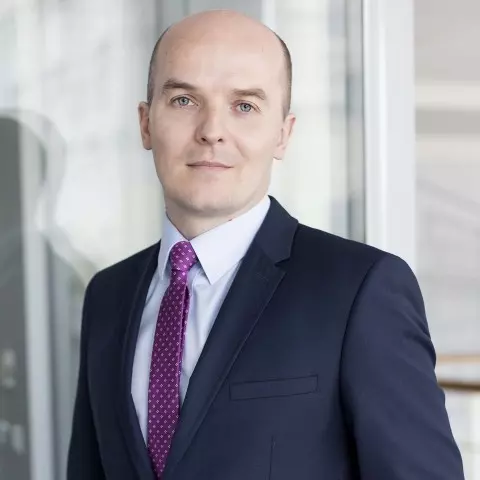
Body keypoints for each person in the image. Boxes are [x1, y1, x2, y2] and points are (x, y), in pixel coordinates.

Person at [67, 9, 464, 480]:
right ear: (145, 123)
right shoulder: (108, 297)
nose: (211, 130)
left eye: (244, 106)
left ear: (283, 134)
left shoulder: (359, 290)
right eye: (184, 100)